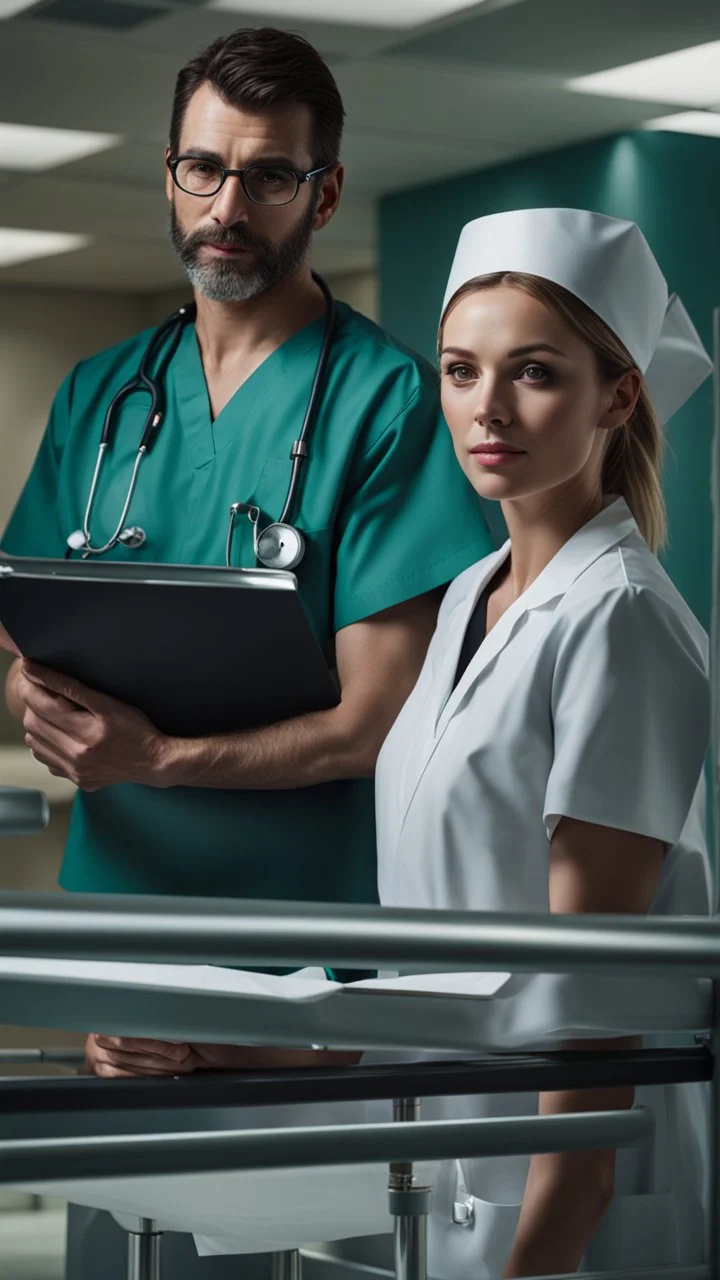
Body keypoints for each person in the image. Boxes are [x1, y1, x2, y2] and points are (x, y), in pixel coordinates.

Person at [0, 25, 493, 1278]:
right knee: (119, 1251)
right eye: (204, 169)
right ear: (168, 175)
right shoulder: (103, 396)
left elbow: (371, 718)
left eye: (269, 175)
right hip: (124, 948)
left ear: (322, 191)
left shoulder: (386, 403)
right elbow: (34, 618)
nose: (230, 205)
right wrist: (33, 693)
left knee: (280, 1254)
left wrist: (154, 753)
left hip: (299, 965)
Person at [374, 207, 713, 1278]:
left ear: (619, 394)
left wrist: (550, 1240)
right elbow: (440, 918)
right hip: (444, 1143)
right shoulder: (473, 593)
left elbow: (595, 997)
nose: (487, 408)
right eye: (461, 370)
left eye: (533, 373)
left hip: (555, 1194)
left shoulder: (620, 616)